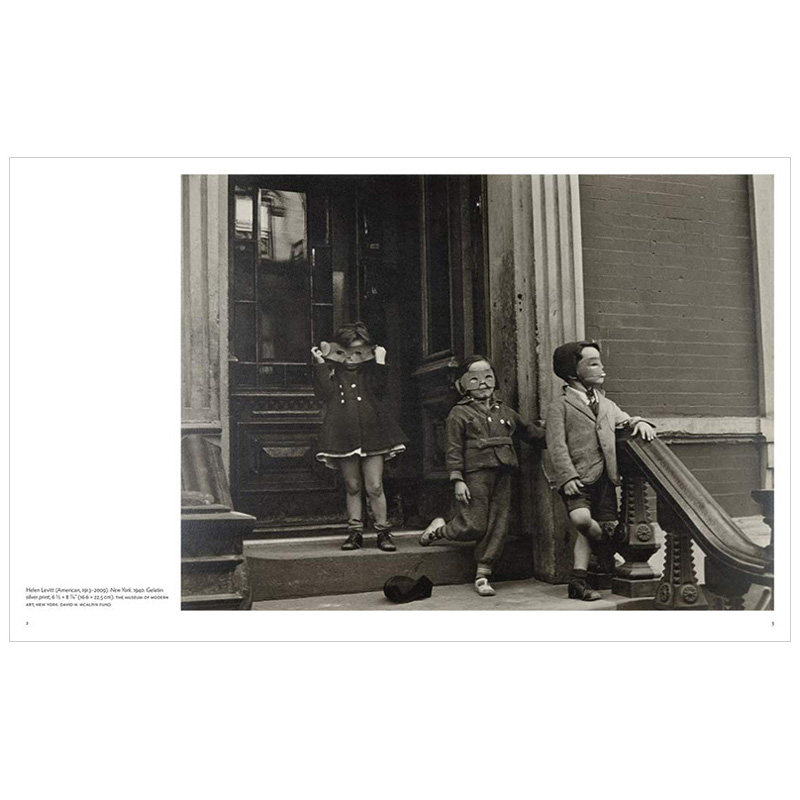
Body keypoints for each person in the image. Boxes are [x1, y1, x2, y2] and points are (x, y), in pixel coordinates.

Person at [419, 356, 545, 596]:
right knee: (474, 524)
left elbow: (530, 433)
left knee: (498, 523)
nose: (483, 383)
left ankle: (483, 573)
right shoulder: (459, 414)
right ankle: (440, 530)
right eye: (474, 379)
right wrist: (458, 479)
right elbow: (453, 449)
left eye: (488, 377)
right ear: (463, 384)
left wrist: (558, 434)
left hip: (504, 471)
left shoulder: (504, 411)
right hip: (475, 474)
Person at [545, 341, 656, 601]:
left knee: (601, 527)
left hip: (605, 478)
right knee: (582, 521)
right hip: (577, 478)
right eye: (593, 364)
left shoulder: (606, 404)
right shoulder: (559, 406)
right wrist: (567, 477)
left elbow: (624, 420)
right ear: (573, 372)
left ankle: (578, 581)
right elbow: (556, 445)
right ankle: (605, 552)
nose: (602, 368)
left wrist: (639, 421)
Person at [311, 321, 407, 552]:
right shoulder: (334, 373)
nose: (351, 358)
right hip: (343, 435)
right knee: (352, 485)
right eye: (346, 352)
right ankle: (355, 532)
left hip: (373, 434)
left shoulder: (370, 372)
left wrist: (380, 361)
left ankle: (383, 531)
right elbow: (325, 393)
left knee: (374, 485)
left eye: (358, 352)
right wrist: (321, 363)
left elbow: (380, 390)